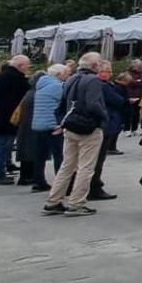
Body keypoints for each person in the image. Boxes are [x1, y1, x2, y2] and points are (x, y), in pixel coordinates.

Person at [43, 52, 107, 216]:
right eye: (99, 63)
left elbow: (63, 102)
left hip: (70, 125)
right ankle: (76, 203)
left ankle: (53, 200)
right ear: (94, 66)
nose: (101, 66)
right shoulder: (93, 80)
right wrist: (103, 116)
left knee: (67, 165)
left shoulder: (71, 78)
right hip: (88, 126)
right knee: (85, 167)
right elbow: (93, 104)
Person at [0, 55, 30, 185]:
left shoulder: (3, 76)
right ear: (20, 66)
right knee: (1, 147)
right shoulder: (15, 78)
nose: (28, 68)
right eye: (27, 65)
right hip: (4, 120)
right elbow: (24, 92)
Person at [87, 60, 125, 201]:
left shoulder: (95, 84)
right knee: (98, 157)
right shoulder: (103, 86)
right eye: (108, 71)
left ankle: (91, 185)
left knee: (94, 157)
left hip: (102, 122)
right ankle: (94, 186)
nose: (110, 74)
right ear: (99, 71)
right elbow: (118, 101)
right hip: (105, 123)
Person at [32, 64, 68, 192]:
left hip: (38, 124)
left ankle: (38, 181)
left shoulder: (41, 86)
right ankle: (62, 184)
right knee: (59, 155)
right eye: (65, 73)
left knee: (40, 156)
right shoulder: (58, 86)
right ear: (59, 75)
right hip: (53, 125)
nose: (67, 76)